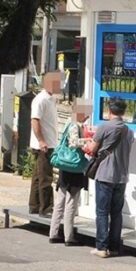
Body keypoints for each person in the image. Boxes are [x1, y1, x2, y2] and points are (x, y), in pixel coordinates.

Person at [84, 97, 135, 258]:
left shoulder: (104, 127)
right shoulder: (129, 131)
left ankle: (101, 247)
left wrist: (85, 146)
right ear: (124, 112)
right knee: (116, 213)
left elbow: (92, 148)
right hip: (121, 177)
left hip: (105, 175)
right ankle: (114, 246)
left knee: (101, 212)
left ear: (109, 111)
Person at [49, 101, 90, 246]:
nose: (87, 117)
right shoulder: (74, 126)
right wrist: (89, 140)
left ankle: (53, 233)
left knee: (60, 200)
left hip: (64, 166)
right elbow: (74, 143)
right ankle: (68, 236)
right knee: (71, 202)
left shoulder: (67, 123)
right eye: (86, 114)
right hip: (74, 166)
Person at [28, 72, 61, 216]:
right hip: (43, 144)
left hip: (49, 142)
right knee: (45, 177)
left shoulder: (51, 99)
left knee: (38, 176)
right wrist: (41, 140)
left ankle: (34, 205)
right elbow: (35, 121)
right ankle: (46, 208)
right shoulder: (40, 100)